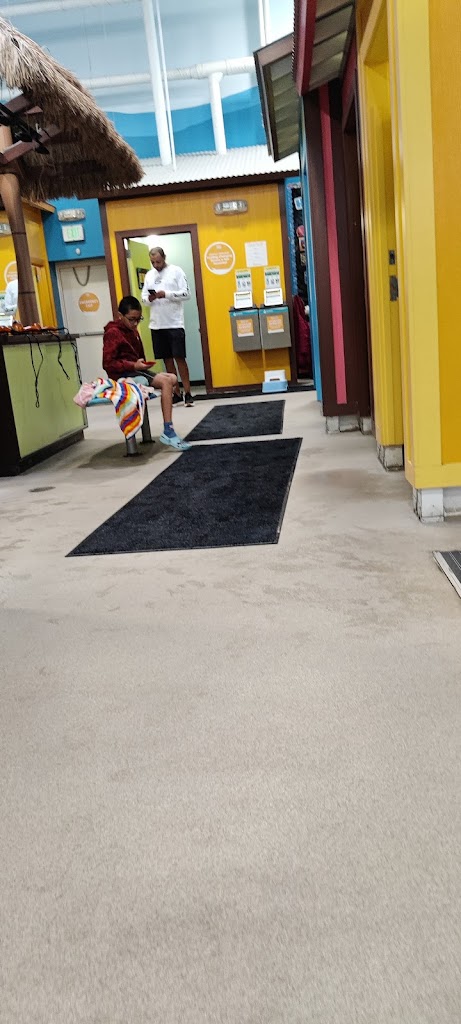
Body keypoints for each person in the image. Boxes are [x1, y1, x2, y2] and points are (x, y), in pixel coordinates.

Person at [102, 296, 191, 451]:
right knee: (166, 381)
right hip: (122, 374)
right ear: (120, 316)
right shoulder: (113, 333)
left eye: (138, 319)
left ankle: (168, 429)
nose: (135, 323)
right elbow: (108, 364)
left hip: (135, 370)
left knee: (172, 378)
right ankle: (168, 430)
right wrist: (133, 365)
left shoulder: (133, 331)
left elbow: (137, 355)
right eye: (131, 319)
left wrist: (142, 364)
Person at [141, 246, 194, 407]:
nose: (156, 265)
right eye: (153, 262)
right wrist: (150, 299)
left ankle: (188, 392)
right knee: (167, 360)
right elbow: (143, 298)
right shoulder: (149, 275)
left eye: (158, 261)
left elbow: (186, 293)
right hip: (157, 325)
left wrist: (167, 294)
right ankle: (176, 392)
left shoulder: (176, 271)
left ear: (164, 258)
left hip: (174, 323)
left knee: (179, 358)